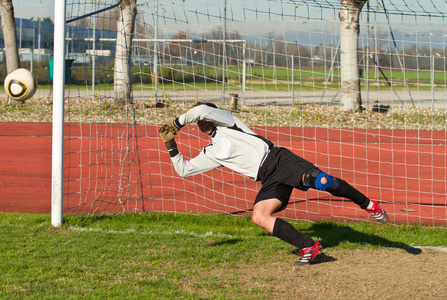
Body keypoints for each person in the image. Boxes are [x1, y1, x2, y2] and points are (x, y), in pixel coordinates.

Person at [159, 102, 389, 265]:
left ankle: (369, 205)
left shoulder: (228, 122)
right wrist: (171, 145)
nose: (200, 121)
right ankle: (309, 246)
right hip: (267, 178)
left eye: (202, 118)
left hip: (279, 160)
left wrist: (177, 123)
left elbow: (201, 110)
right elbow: (184, 170)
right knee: (259, 216)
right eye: (197, 121)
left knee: (322, 181)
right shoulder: (211, 151)